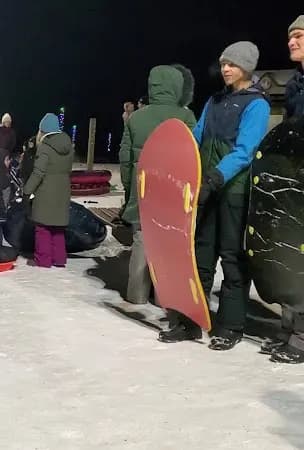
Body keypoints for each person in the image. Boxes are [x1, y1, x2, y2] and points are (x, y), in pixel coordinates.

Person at [159, 41, 270, 351]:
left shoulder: (256, 104)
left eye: (232, 64)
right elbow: (196, 139)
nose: (225, 69)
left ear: (246, 67)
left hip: (233, 190)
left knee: (232, 258)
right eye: (223, 63)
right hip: (206, 187)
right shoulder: (214, 101)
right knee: (200, 256)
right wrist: (177, 159)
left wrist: (216, 176)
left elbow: (245, 151)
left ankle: (230, 326)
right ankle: (192, 320)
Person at [119, 65, 197, 305]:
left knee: (142, 240)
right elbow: (194, 157)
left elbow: (125, 158)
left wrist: (130, 186)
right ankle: (164, 297)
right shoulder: (186, 117)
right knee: (168, 245)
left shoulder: (136, 118)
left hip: (142, 192)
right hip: (173, 195)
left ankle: (136, 295)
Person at [266, 16, 304, 364]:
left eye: (299, 36)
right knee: (289, 255)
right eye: (290, 36)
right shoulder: (294, 86)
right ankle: (289, 329)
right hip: (294, 184)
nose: (291, 42)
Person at [23, 113, 74, 268]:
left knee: (43, 228)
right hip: (63, 190)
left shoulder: (45, 147)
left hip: (46, 191)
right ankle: (59, 259)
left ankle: (43, 260)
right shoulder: (68, 145)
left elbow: (39, 172)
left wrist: (27, 190)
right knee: (58, 228)